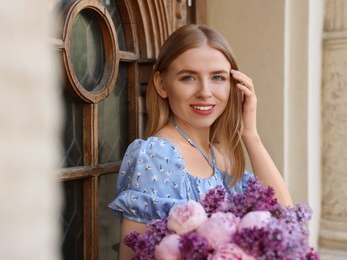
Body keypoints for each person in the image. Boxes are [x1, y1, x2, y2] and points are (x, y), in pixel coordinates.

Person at [108, 24, 292, 259]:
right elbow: (132, 255)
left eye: (217, 77)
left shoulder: (220, 154)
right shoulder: (159, 155)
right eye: (188, 78)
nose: (205, 92)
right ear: (162, 85)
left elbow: (287, 223)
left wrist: (250, 133)